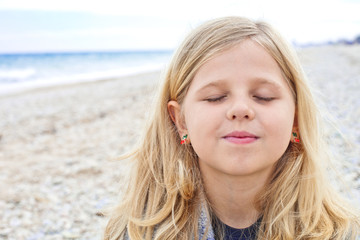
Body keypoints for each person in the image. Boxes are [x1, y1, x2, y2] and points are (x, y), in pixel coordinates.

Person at [103, 16, 359, 239]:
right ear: (180, 121)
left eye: (264, 96)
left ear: (295, 117)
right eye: (215, 97)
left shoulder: (342, 233)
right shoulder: (133, 233)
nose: (240, 109)